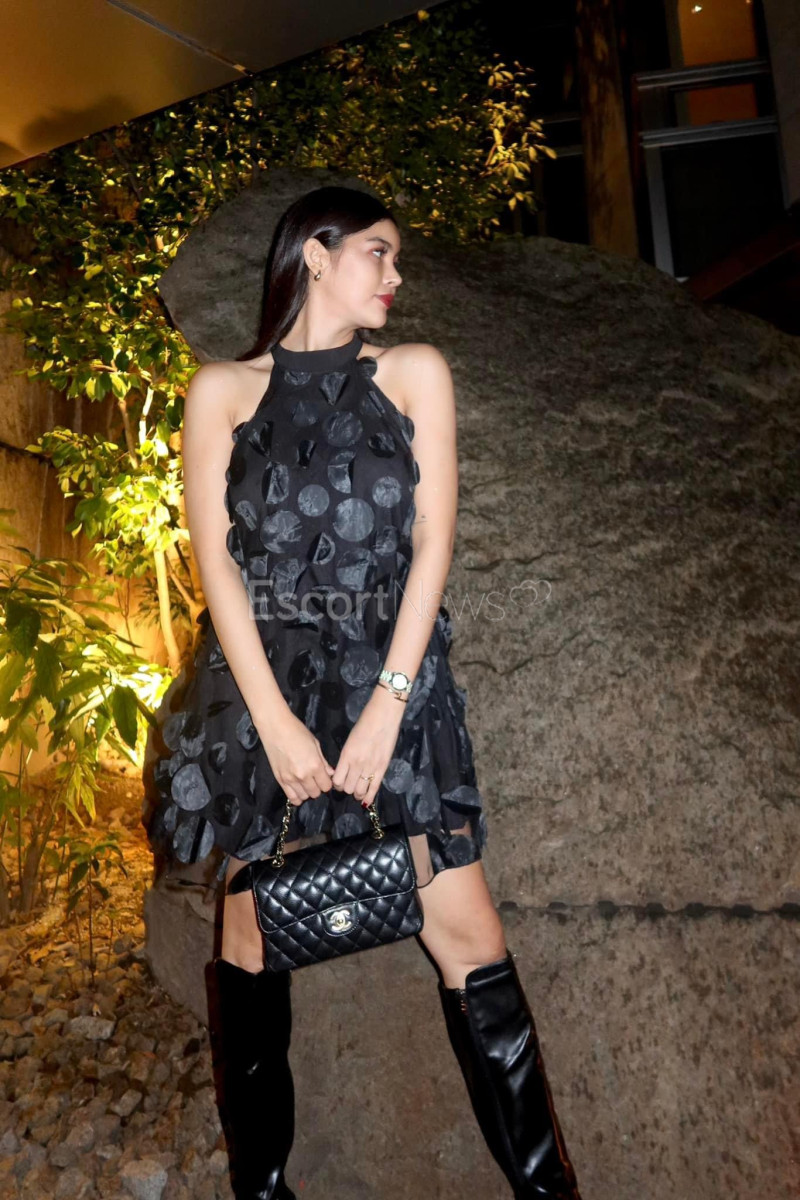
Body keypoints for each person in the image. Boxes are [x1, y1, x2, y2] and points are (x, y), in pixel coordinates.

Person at [144, 185, 582, 1199]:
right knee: (249, 941)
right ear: (316, 252)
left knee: (468, 936)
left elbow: (432, 543)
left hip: (391, 682)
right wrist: (273, 724)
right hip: (261, 692)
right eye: (378, 253)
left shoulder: (415, 372)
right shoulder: (221, 390)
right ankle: (263, 1192)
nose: (395, 275)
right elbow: (218, 569)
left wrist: (389, 700)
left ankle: (547, 1189)